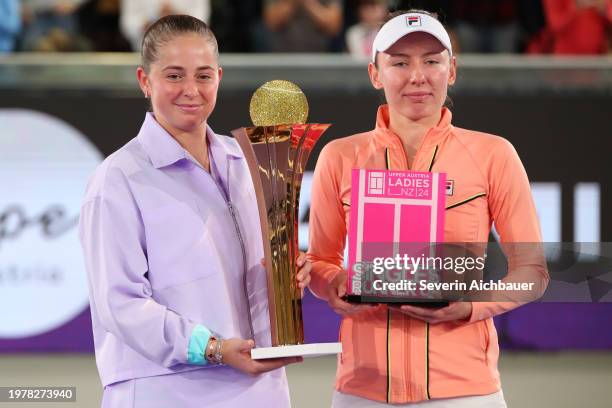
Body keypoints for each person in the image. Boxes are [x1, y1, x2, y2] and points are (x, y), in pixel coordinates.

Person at [308, 9, 549, 407]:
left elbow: (533, 274)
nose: (417, 76)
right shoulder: (340, 157)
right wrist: (333, 284)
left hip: (465, 390)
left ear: (452, 70)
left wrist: (470, 306)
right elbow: (321, 262)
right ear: (375, 73)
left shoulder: (494, 155)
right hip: (363, 388)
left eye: (432, 61)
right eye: (399, 63)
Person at [79, 14, 310, 407]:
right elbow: (120, 304)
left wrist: (288, 277)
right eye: (173, 76)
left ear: (218, 77)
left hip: (259, 387)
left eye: (203, 76)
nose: (191, 90)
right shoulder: (119, 179)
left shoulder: (248, 163)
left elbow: (257, 276)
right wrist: (212, 348)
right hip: (166, 390)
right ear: (144, 81)